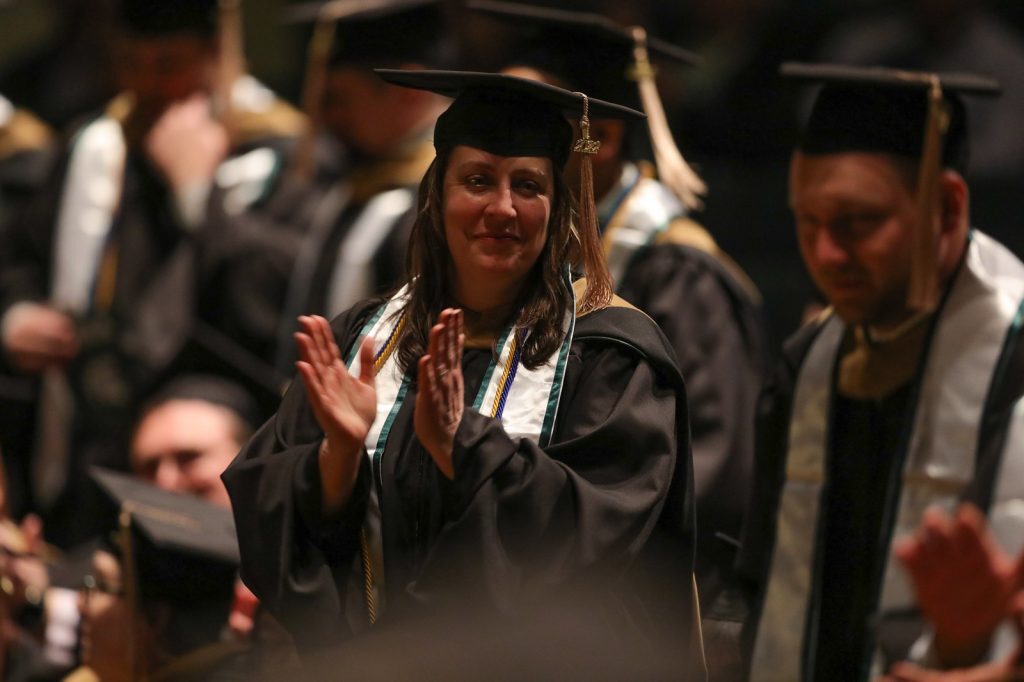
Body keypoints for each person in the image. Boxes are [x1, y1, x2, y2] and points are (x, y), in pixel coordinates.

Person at [223, 70, 700, 674]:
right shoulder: (364, 341)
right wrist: (337, 457)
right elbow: (273, 524)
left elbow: (595, 543)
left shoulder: (610, 358)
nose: (501, 208)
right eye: (477, 180)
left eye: (527, 185)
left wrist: (463, 445)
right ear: (437, 195)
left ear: (557, 208)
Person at [468, 0, 769, 604]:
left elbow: (711, 479)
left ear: (600, 139)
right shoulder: (528, 253)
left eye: (532, 126)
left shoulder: (680, 276)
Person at [737, 63, 1024, 680]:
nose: (826, 255)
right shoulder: (805, 365)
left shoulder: (1015, 359)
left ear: (947, 208)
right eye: (808, 225)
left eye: (856, 224)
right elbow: (761, 586)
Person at [0, 0, 303, 548]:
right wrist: (15, 317)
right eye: (130, 63)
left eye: (168, 64)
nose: (146, 82)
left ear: (217, 56)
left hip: (199, 467)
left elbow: (275, 298)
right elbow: (21, 256)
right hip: (80, 442)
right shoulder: (91, 145)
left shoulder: (280, 153)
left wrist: (196, 193)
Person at [201, 0, 453, 378]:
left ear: (408, 92)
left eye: (339, 100)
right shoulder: (353, 183)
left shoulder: (435, 207)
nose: (324, 119)